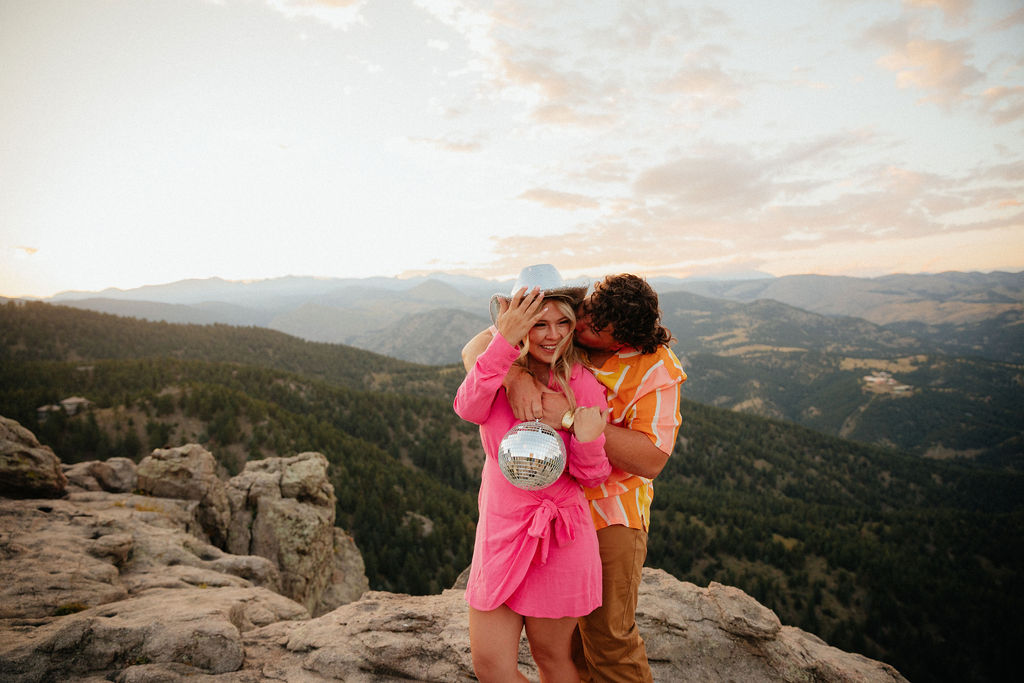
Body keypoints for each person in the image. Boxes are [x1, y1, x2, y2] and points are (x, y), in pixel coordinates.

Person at [462, 271, 686, 683]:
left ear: (621, 341)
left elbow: (652, 459)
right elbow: (478, 347)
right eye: (584, 313)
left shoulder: (655, 369)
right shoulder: (563, 321)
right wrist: (514, 374)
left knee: (605, 639)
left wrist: (570, 419)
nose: (580, 327)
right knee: (563, 652)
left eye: (593, 327)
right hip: (528, 511)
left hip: (609, 506)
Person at [453, 265, 613, 683]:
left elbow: (592, 476)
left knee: (551, 659)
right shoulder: (500, 373)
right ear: (518, 323)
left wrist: (590, 438)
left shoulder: (584, 385)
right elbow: (467, 407)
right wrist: (509, 361)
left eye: (563, 322)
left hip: (560, 537)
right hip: (502, 532)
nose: (552, 335)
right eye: (538, 323)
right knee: (491, 667)